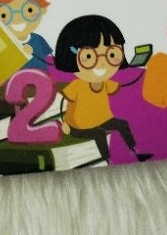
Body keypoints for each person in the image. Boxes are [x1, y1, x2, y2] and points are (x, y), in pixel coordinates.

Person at [53, 14, 151, 163]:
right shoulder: (77, 86)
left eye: (111, 54)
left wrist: (139, 66)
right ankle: (108, 160)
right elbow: (62, 103)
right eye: (89, 56)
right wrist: (64, 124)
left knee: (122, 124)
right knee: (99, 134)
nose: (102, 63)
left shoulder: (106, 83)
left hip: (103, 120)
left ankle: (135, 151)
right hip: (78, 126)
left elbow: (124, 84)